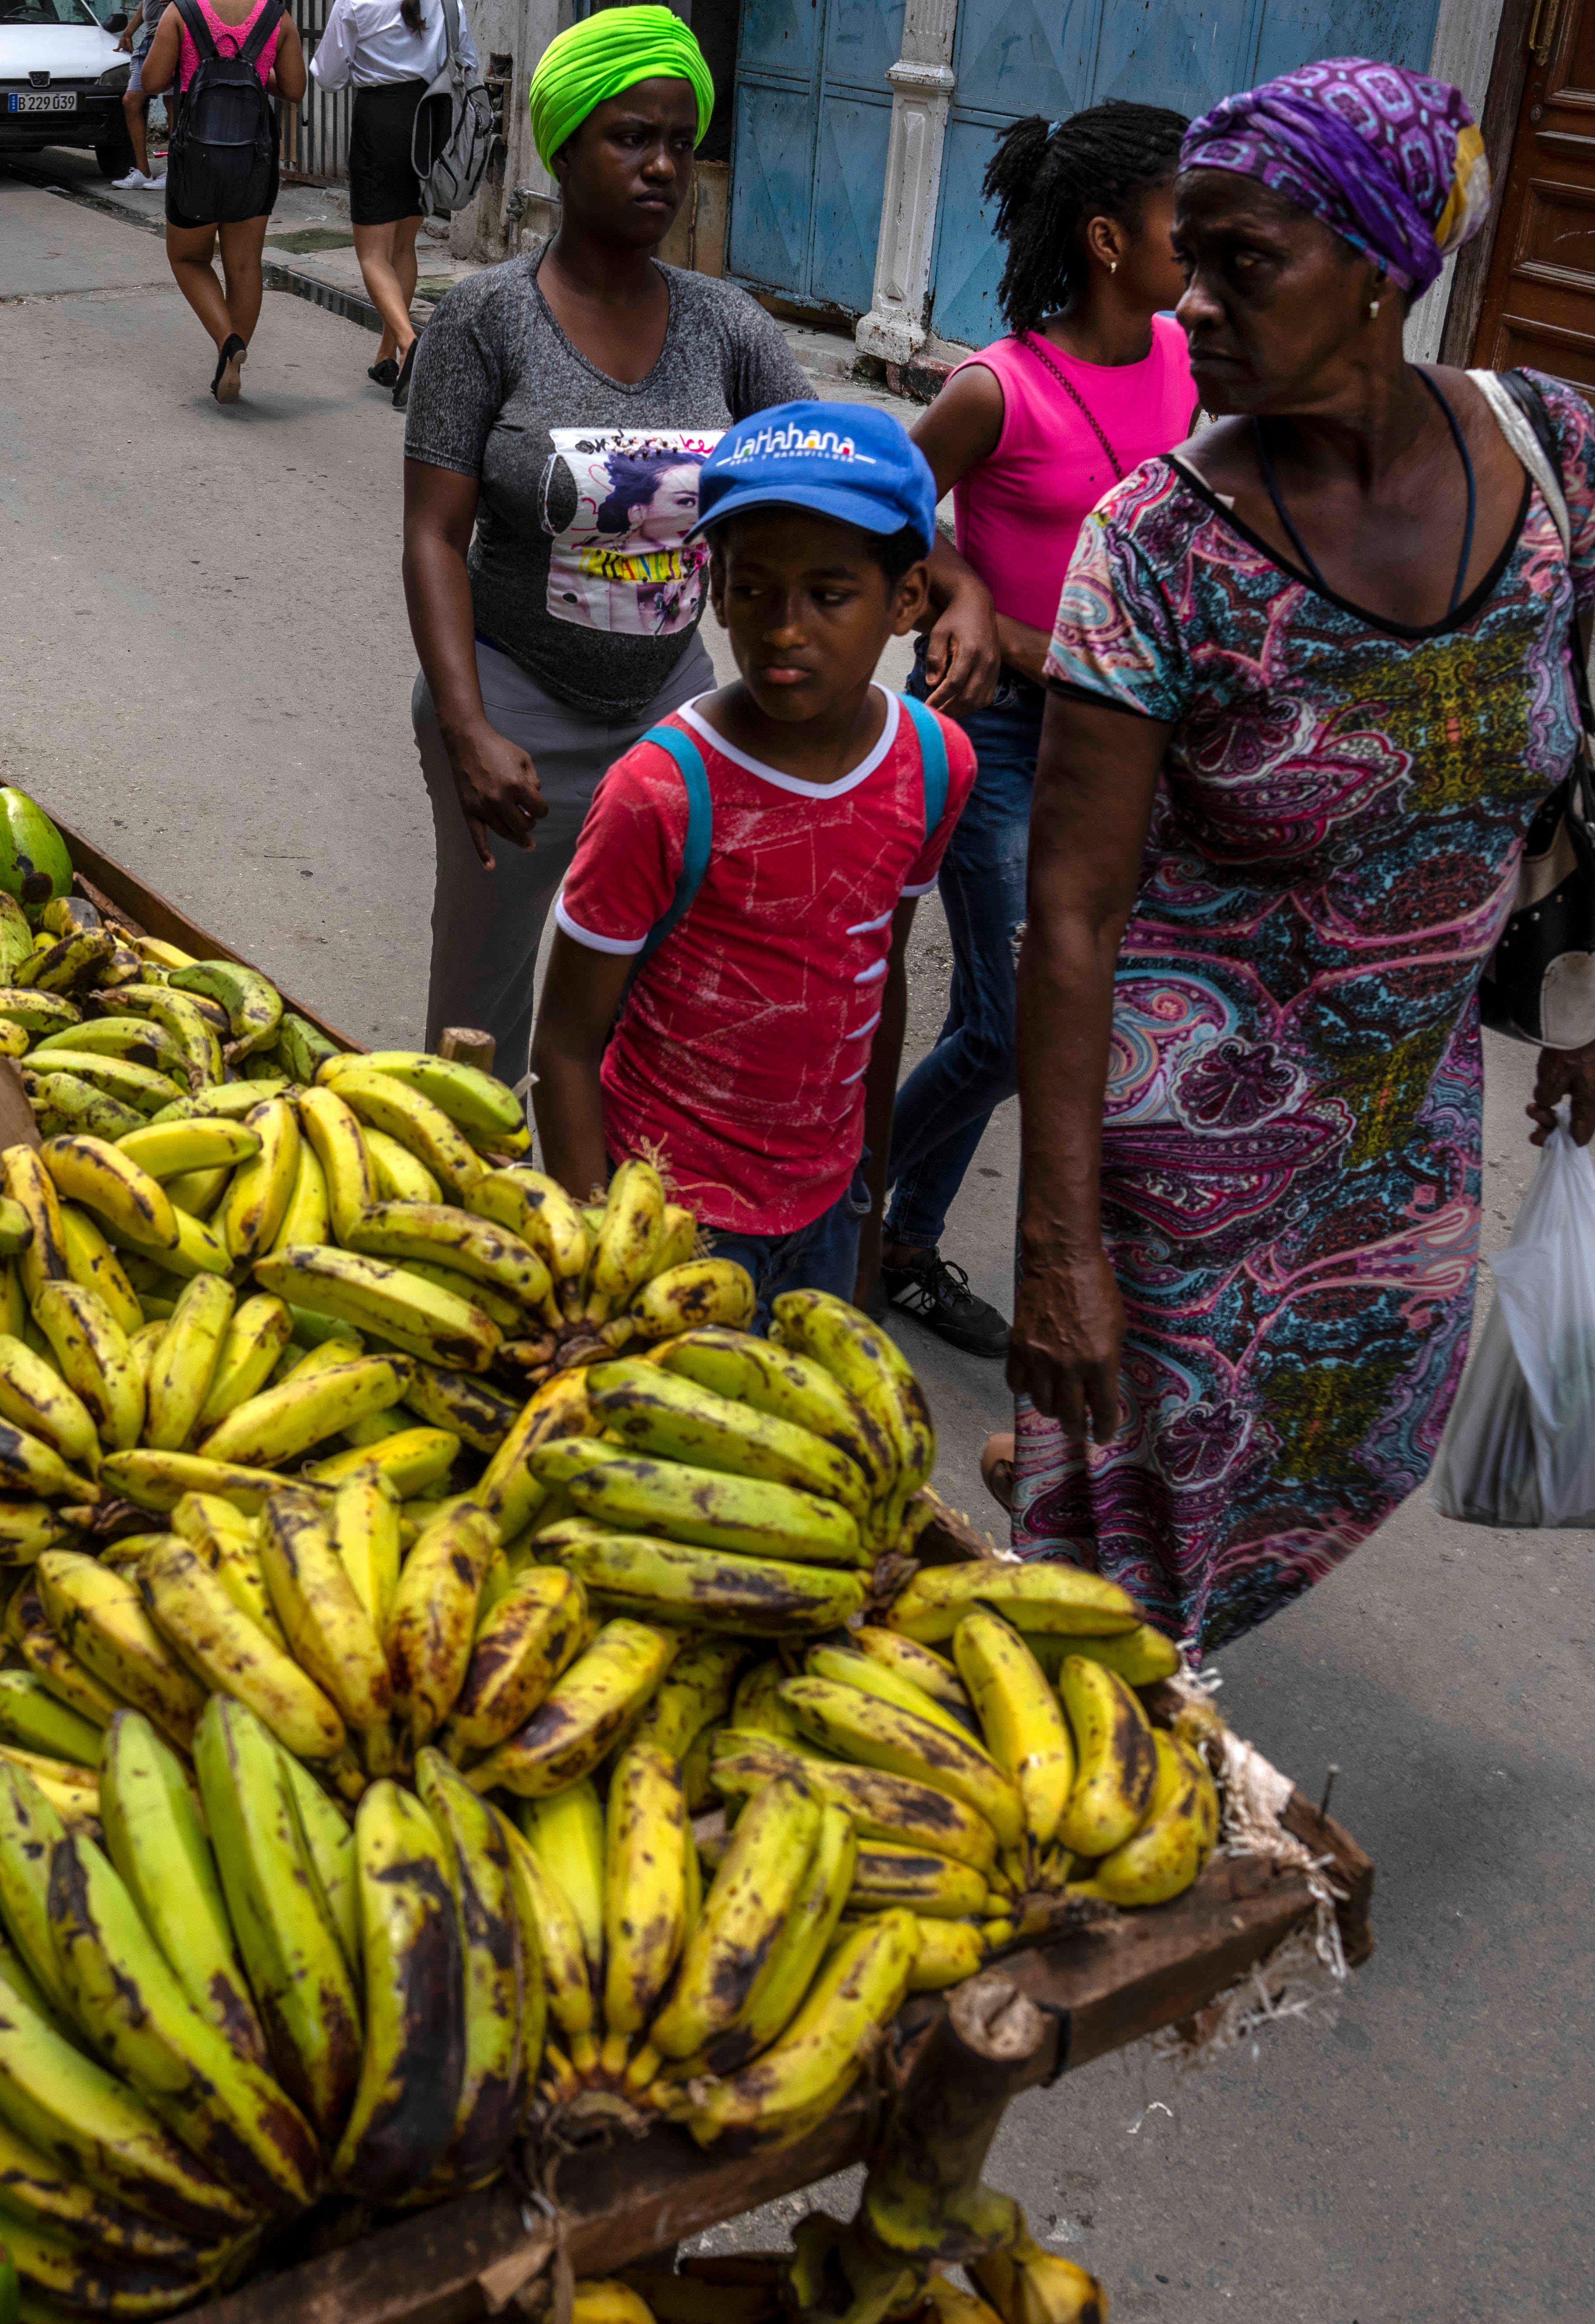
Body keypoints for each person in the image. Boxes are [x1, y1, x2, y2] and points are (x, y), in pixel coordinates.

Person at [1007, 59, 1595, 1658]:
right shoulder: (1152, 544)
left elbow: (1558, 770)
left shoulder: (1550, 448)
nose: (1188, 307)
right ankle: (1130, 1742)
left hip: (1400, 1134)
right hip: (1183, 1158)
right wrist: (1059, 1248)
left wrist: (1580, 1010)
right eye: (1184, 258)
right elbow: (1067, 910)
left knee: (1358, 1431)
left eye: (1242, 263)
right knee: (1139, 1552)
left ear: (1380, 266)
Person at [401, 5, 821, 1082]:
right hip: (511, 712)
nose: (661, 167)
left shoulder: (726, 327)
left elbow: (836, 472)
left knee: (656, 996)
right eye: (629, 137)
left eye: (678, 143)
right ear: (563, 147)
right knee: (480, 1006)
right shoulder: (483, 321)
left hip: (669, 712)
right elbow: (432, 536)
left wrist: (946, 573)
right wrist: (466, 729)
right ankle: (465, 1220)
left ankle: (610, 1214)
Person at [872, 101, 1194, 1360]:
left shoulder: (1183, 354)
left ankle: (897, 1237)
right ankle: (837, 1204)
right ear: (1110, 237)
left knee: (1034, 1024)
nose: (1206, 243)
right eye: (1185, 215)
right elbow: (890, 504)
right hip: (999, 732)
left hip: (1124, 743)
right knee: (1011, 1028)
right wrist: (972, 601)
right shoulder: (995, 388)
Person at [531, 403, 972, 1304]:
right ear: (715, 589)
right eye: (753, 588)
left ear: (906, 601)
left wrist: (864, 1206)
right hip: (667, 1216)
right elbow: (567, 1044)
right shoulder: (658, 790)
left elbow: (875, 987)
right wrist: (598, 1263)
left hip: (826, 1204)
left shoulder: (934, 763)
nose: (783, 628)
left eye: (829, 594)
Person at [135, 0, 298, 402]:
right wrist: (259, 70)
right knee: (244, 265)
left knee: (188, 259)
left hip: (196, 161)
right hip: (253, 160)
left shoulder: (182, 12)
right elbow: (295, 89)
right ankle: (230, 364)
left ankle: (227, 340)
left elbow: (152, 80)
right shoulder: (277, 18)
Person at [310, 0, 468, 400]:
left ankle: (408, 341)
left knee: (372, 255)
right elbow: (468, 59)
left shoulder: (356, 1)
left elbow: (327, 76)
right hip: (431, 117)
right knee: (403, 243)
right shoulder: (448, 1)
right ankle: (388, 356)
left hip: (380, 119)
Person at [111, 0, 163, 191]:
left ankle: (175, 173)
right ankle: (144, 172)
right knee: (131, 102)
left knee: (174, 103)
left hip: (173, 37)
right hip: (150, 40)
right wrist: (129, 31)